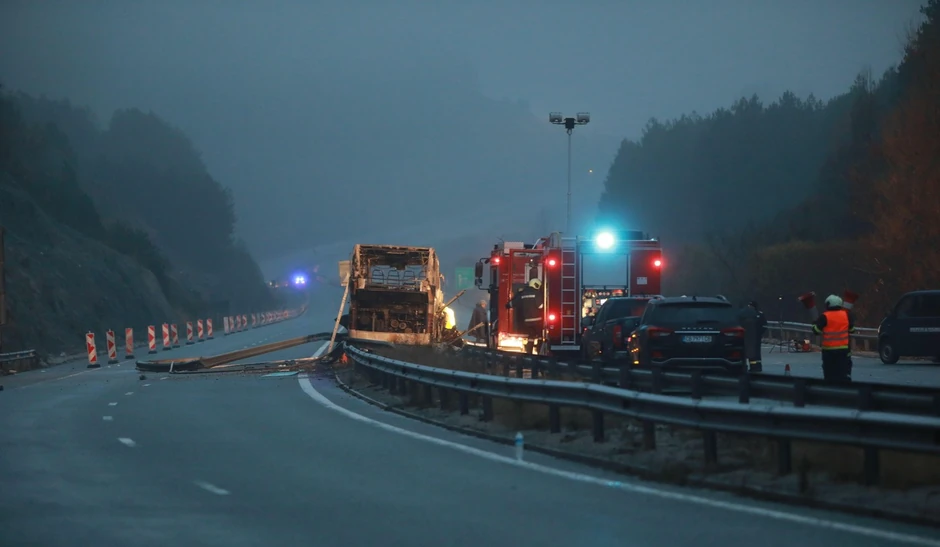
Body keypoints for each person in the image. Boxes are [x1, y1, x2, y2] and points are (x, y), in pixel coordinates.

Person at [812, 294, 855, 383]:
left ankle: (830, 388)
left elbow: (816, 331)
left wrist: (814, 324)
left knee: (829, 373)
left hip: (828, 351)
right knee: (844, 371)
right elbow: (852, 330)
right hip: (844, 350)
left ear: (828, 304)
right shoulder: (847, 315)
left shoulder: (824, 316)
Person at [506, 278, 544, 354]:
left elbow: (511, 304)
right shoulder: (536, 293)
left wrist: (507, 305)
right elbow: (540, 306)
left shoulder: (522, 293)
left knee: (531, 336)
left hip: (527, 321)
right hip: (537, 320)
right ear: (536, 285)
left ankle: (529, 353)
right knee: (540, 336)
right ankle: (539, 352)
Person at [739, 301, 767, 372]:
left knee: (756, 352)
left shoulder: (759, 314)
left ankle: (756, 367)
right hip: (747, 336)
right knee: (748, 352)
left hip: (756, 336)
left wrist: (759, 333)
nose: (749, 307)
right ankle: (749, 366)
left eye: (751, 306)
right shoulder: (746, 315)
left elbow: (764, 326)